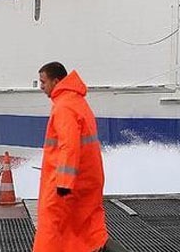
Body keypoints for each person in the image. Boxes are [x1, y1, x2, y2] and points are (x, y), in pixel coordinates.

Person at [33, 62, 108, 252]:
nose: (41, 87)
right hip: (86, 179)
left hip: (66, 185)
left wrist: (63, 185)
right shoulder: (77, 102)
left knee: (52, 226)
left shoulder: (64, 107)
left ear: (56, 81)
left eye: (43, 82)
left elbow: (69, 145)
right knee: (83, 227)